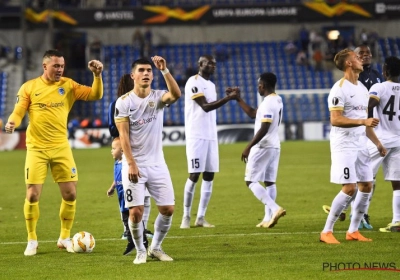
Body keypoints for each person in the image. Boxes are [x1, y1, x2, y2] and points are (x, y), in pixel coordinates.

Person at [4, 49, 104, 256]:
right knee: (32, 195)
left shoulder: (68, 85)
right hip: (36, 149)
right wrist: (13, 122)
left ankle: (64, 237)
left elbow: (96, 94)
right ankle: (32, 240)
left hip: (61, 147)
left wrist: (97, 75)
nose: (59, 69)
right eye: (56, 66)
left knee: (71, 193)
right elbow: (19, 110)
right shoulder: (29, 87)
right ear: (45, 66)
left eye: (62, 66)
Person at [115, 56, 181, 264]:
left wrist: (164, 70)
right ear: (133, 75)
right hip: (133, 164)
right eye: (141, 70)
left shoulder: (158, 96)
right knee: (135, 212)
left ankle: (156, 247)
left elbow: (176, 95)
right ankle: (140, 251)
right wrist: (131, 163)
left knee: (168, 209)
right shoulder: (124, 102)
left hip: (157, 163)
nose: (146, 73)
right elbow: (123, 136)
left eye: (149, 71)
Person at [320, 48, 386, 244]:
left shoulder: (362, 89)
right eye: (356, 57)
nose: (360, 59)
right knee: (350, 188)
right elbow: (335, 119)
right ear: (349, 63)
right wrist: (363, 123)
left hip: (361, 144)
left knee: (366, 185)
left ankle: (353, 231)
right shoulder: (338, 89)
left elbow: (364, 121)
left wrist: (377, 142)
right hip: (344, 145)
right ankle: (327, 231)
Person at [180, 55, 239, 229]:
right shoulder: (193, 81)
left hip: (211, 135)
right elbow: (205, 107)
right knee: (194, 174)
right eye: (209, 63)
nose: (213, 66)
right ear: (200, 65)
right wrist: (228, 99)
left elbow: (212, 105)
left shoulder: (212, 86)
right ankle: (186, 217)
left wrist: (226, 96)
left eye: (214, 63)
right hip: (196, 135)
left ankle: (200, 217)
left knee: (209, 175)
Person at [229, 73, 286, 228]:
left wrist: (249, 146)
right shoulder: (277, 99)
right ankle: (268, 218)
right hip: (274, 146)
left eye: (259, 84)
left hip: (263, 146)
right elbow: (254, 114)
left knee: (250, 180)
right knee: (270, 182)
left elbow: (264, 127)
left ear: (263, 85)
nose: (258, 87)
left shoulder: (268, 103)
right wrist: (238, 99)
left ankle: (275, 209)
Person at [108, 73, 153, 239]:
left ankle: (143, 226)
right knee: (126, 192)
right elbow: (114, 128)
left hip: (144, 151)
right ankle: (128, 228)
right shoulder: (118, 104)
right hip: (129, 152)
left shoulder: (144, 102)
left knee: (145, 193)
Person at [367, 56, 400, 233]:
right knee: (397, 183)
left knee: (363, 177)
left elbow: (371, 103)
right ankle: (397, 221)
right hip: (398, 139)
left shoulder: (379, 87)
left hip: (380, 140)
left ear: (385, 71)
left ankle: (349, 215)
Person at [106, 137, 148, 255]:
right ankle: (132, 242)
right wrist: (112, 188)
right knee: (126, 223)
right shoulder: (116, 163)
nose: (111, 151)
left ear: (123, 150)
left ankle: (142, 241)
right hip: (121, 199)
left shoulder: (127, 165)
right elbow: (116, 178)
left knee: (136, 220)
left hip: (130, 199)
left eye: (114, 148)